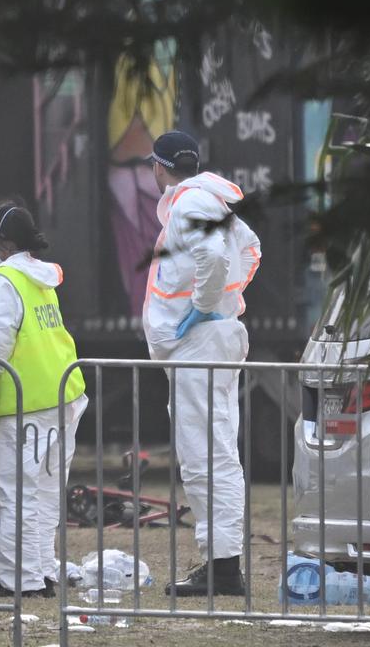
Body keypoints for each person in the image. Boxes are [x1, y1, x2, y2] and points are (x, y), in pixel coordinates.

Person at [143, 130, 261, 597]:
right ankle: (223, 564)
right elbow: (251, 251)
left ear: (158, 166)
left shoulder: (190, 203)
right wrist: (228, 299)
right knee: (217, 451)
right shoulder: (215, 202)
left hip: (199, 342)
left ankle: (224, 568)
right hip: (212, 336)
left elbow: (213, 255)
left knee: (203, 456)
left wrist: (207, 302)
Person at [0, 203, 87, 598]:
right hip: (63, 395)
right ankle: (41, 575)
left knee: (14, 495)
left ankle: (20, 581)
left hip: (24, 405)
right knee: (43, 495)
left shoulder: (5, 280)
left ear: (3, 243)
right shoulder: (42, 277)